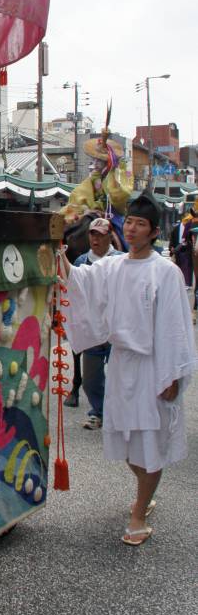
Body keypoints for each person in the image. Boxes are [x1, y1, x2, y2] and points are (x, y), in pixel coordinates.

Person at [59, 191, 196, 546]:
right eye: (130, 222)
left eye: (141, 224)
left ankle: (138, 512)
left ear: (153, 232)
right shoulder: (114, 265)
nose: (133, 229)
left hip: (153, 367)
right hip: (121, 365)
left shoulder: (164, 272)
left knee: (150, 440)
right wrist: (59, 258)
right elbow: (81, 281)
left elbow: (175, 326)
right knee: (126, 441)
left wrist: (172, 376)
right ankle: (144, 491)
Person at [71, 217, 121, 429]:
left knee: (120, 376)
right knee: (91, 378)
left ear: (110, 235)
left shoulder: (122, 260)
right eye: (92, 234)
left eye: (100, 234)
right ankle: (98, 411)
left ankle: (117, 414)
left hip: (115, 328)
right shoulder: (81, 261)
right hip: (92, 329)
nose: (96, 238)